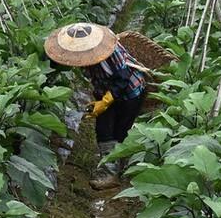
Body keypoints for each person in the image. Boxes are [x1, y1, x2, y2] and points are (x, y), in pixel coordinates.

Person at [44, 22, 147, 190]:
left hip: (130, 91)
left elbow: (123, 76)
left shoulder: (108, 50)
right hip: (108, 90)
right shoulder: (87, 57)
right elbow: (98, 78)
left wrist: (106, 101)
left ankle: (117, 172)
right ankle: (110, 171)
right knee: (103, 130)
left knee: (120, 131)